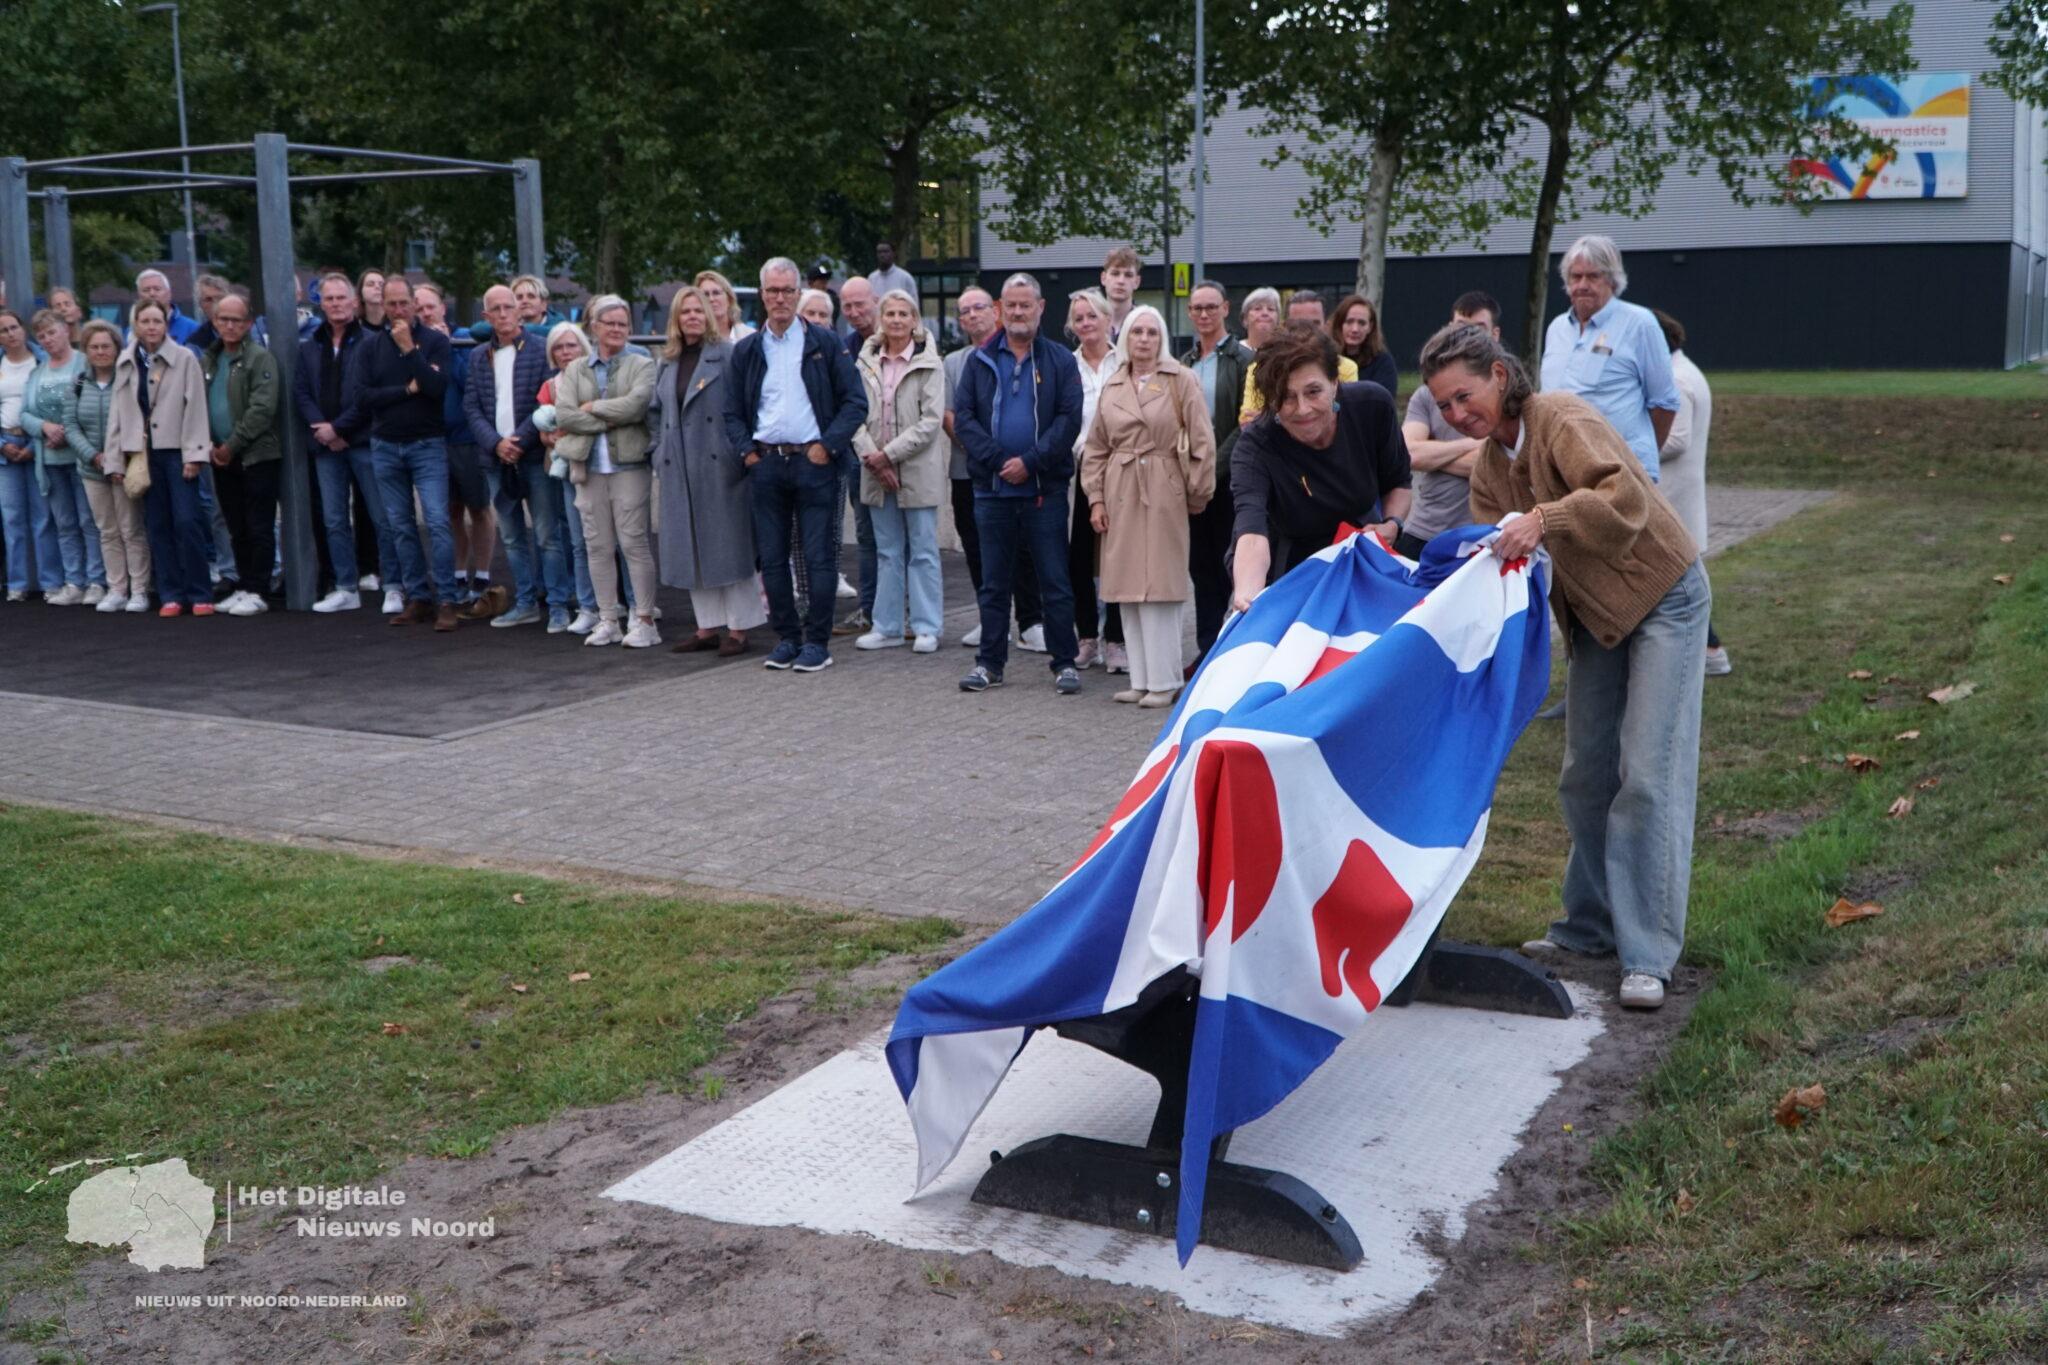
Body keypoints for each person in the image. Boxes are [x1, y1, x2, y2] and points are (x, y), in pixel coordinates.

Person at [1421, 320, 1708, 1011]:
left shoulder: (1560, 418)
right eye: (1444, 405)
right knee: (1584, 775)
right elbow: (1502, 560)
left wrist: (1543, 519)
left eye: (1464, 396)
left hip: (1664, 597)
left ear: (1499, 375)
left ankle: (1648, 953)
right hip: (1596, 620)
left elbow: (1625, 499)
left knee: (1648, 773)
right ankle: (1588, 928)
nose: (1457, 414)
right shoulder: (1489, 468)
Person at [722, 256, 867, 673]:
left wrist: (828, 446)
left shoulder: (825, 343)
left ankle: (817, 642)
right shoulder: (748, 349)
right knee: (771, 558)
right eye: (773, 291)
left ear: (799, 294)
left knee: (820, 558)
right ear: (762, 294)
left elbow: (855, 402)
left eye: (788, 291)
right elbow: (732, 412)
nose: (781, 298)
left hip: (814, 463)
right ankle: (787, 638)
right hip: (766, 464)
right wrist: (748, 452)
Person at [951, 271, 1085, 696]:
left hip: (1044, 490)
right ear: (1000, 309)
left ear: (1040, 308)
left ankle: (1064, 662)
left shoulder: (1060, 360)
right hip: (992, 491)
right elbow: (964, 419)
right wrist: (998, 462)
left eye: (1026, 304)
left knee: (1055, 581)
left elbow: (1069, 420)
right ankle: (989, 664)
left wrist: (1029, 462)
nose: (1018, 312)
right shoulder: (979, 361)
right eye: (1010, 305)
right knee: (993, 584)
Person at [1082, 305, 1214, 707]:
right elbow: (1096, 447)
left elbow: (1202, 440)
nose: (1144, 339)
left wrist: (1196, 493)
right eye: (1137, 331)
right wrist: (1096, 498)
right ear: (1126, 337)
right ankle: (1140, 679)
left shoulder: (1181, 379)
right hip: (1121, 488)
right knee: (1126, 588)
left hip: (1163, 486)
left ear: (1162, 339)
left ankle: (1165, 680)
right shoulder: (1114, 384)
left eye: (1152, 332)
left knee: (1160, 586)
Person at [1228, 323, 1411, 609]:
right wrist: (1247, 596)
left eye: (1313, 391)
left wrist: (1392, 524)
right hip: (1287, 567)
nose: (1303, 409)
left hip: (1358, 558)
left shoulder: (1373, 406)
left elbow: (1398, 481)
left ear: (1334, 383)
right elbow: (1251, 532)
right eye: (1286, 396)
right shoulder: (1255, 447)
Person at [341, 276, 461, 631]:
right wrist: (407, 391)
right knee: (400, 526)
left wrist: (410, 350)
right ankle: (418, 597)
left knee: (437, 522)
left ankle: (447, 599)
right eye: (390, 304)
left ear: (413, 304)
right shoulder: (369, 347)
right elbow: (362, 398)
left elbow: (437, 388)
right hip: (385, 445)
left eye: (403, 303)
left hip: (427, 444)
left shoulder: (435, 342)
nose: (397, 310)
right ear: (382, 305)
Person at [652, 285, 759, 656]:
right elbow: (654, 413)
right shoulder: (668, 361)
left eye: (699, 310)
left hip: (719, 467)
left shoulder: (728, 354)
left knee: (729, 549)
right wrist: (658, 452)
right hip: (679, 467)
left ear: (710, 315)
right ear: (676, 318)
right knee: (692, 548)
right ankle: (706, 627)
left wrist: (736, 454)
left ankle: (739, 629)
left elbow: (747, 406)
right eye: (686, 311)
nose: (693, 317)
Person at [551, 294, 658, 648]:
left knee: (633, 543)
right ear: (594, 327)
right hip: (589, 469)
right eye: (609, 323)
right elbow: (565, 415)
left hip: (630, 467)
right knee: (596, 546)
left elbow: (636, 407)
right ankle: (608, 619)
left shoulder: (642, 364)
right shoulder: (576, 369)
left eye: (623, 324)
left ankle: (644, 620)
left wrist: (593, 406)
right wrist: (608, 420)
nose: (616, 329)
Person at [942, 287, 1041, 651]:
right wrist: (986, 454)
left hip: (1018, 469)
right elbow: (951, 415)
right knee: (976, 546)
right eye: (964, 311)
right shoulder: (954, 362)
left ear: (995, 311)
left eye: (978, 308)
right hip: (969, 471)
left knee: (1023, 547)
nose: (972, 315)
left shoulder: (1019, 352)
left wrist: (1009, 459)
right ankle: (990, 620)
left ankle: (1031, 621)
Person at [104, 300, 215, 616]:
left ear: (166, 324)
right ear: (135, 325)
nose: (151, 327)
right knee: (157, 524)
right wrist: (115, 459)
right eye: (145, 321)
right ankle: (171, 594)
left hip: (177, 450)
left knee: (188, 521)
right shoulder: (126, 360)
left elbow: (196, 407)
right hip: (142, 453)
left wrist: (194, 454)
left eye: (157, 321)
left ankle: (200, 592)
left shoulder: (185, 358)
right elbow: (118, 412)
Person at [464, 284, 564, 631]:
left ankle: (558, 605)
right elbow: (471, 406)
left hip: (532, 456)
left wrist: (518, 441)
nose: (504, 313)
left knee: (548, 535)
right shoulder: (478, 356)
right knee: (510, 536)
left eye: (509, 306)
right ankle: (525, 603)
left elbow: (545, 403)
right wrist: (496, 444)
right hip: (496, 461)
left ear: (519, 311)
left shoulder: (539, 351)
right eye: (496, 309)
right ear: (486, 316)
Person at [851, 288, 946, 653]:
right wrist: (873, 458)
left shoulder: (929, 363)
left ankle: (926, 627)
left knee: (922, 550)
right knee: (887, 550)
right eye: (889, 313)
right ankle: (887, 626)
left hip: (917, 471)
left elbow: (930, 422)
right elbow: (853, 414)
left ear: (914, 320)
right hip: (874, 470)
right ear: (881, 319)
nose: (896, 320)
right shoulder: (864, 362)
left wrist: (887, 456)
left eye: (903, 314)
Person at [1540, 234, 1679, 482]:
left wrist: (1637, 462)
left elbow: (1664, 404)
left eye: (1593, 276)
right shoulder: (1557, 328)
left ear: (1613, 281)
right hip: (1563, 470)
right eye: (1576, 277)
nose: (1583, 285)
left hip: (1618, 473)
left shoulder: (1640, 324)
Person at [296, 272, 393, 613]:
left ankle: (394, 585)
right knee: (334, 519)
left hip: (364, 442)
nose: (336, 304)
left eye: (341, 298)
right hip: (325, 447)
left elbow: (371, 395)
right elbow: (301, 392)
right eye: (330, 298)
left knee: (382, 518)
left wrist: (339, 429)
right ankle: (345, 587)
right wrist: (323, 429)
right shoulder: (309, 346)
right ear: (320, 304)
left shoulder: (373, 342)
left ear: (354, 302)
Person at [1179, 279, 1254, 658]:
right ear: (1189, 313)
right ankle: (1207, 649)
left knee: (1229, 565)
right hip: (1191, 480)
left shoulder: (1243, 360)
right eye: (1197, 308)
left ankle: (1232, 646)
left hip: (1227, 479)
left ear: (1225, 308)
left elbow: (1246, 424)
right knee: (1200, 567)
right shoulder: (1184, 363)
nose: (1204, 314)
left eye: (1211, 306)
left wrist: (1212, 468)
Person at [1397, 290, 1499, 558]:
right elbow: (1407, 454)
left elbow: (1491, 464)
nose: (1467, 338)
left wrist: (1432, 456)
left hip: (1481, 538)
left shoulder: (1503, 395)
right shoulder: (1425, 395)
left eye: (1478, 329)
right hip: (1422, 532)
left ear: (1495, 335)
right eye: (1461, 328)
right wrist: (1471, 444)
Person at [1653, 309, 1727, 676]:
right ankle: (1709, 651)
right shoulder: (1685, 371)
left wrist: (1628, 446)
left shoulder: (1676, 379)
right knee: (1679, 580)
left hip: (1673, 497)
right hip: (1680, 496)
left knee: (1675, 582)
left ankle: (1711, 651)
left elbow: (1676, 440)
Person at [61, 319, 153, 612]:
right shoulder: (78, 383)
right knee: (107, 530)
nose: (101, 352)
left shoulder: (129, 379)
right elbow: (70, 425)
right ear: (86, 351)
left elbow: (138, 420)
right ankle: (117, 589)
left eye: (106, 346)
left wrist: (117, 458)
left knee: (131, 529)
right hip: (91, 469)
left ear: (117, 348)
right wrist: (93, 455)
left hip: (124, 468)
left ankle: (140, 590)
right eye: (94, 347)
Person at [199, 293, 282, 615]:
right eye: (224, 319)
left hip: (256, 455)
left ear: (248, 324)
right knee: (236, 526)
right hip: (221, 456)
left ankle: (259, 589)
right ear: (214, 321)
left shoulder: (260, 358)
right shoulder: (210, 358)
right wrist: (212, 445)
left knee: (259, 525)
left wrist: (231, 445)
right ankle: (245, 584)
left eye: (236, 320)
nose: (230, 326)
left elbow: (262, 409)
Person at [416, 282, 497, 608]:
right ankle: (459, 574)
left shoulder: (464, 339)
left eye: (430, 307)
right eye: (419, 309)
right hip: (433, 439)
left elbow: (472, 384)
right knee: (448, 511)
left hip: (467, 439)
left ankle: (484, 576)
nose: (425, 313)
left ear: (442, 308)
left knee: (479, 507)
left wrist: (447, 349)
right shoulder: (413, 344)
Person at [1065, 287, 1125, 672]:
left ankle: (1117, 640)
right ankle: (1087, 637)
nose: (1086, 323)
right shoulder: (1066, 365)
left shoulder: (1125, 362)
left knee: (1118, 555)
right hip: (1079, 467)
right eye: (1079, 318)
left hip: (1122, 469)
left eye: (1092, 316)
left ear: (1108, 320)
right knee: (1079, 557)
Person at [24, 309, 101, 604]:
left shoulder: (85, 363)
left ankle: (96, 581)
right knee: (65, 523)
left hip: (83, 457)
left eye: (52, 332)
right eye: (41, 336)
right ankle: (74, 581)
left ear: (66, 331)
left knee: (89, 521)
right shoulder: (37, 372)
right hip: (51, 461)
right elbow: (25, 413)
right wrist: (44, 427)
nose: (47, 339)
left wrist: (68, 431)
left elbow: (94, 403)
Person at [536, 322, 602, 633]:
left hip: (601, 466)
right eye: (559, 347)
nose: (565, 352)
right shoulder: (550, 386)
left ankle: (623, 604)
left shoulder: (598, 377)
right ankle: (587, 606)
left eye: (571, 345)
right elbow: (544, 430)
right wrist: (549, 437)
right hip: (568, 470)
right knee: (578, 542)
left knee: (611, 542)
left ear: (583, 347)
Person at [0, 309, 62, 603]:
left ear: (23, 329)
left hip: (37, 443)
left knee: (43, 516)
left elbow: (53, 404)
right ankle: (17, 583)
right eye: (3, 330)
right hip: (5, 445)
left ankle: (50, 582)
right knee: (12, 518)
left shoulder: (42, 361)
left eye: (14, 327)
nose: (10, 334)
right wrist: (2, 444)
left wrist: (34, 444)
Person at [831, 274, 880, 635]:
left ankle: (908, 610)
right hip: (858, 456)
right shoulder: (844, 348)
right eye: (846, 306)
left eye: (859, 303)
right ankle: (871, 607)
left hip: (900, 453)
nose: (853, 311)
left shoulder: (901, 340)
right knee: (866, 535)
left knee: (906, 538)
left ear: (875, 300)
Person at [1239, 291, 1359, 426]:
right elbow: (1247, 422)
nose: (1309, 331)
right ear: (1285, 326)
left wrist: (1273, 416)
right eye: (1287, 395)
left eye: (1315, 323)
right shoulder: (1261, 369)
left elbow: (1347, 416)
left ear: (1326, 326)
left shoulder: (1345, 367)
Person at [1330, 293, 1396, 395]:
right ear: (1339, 324)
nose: (1355, 329)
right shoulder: (1327, 357)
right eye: (1349, 322)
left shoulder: (1382, 362)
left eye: (1362, 323)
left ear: (1370, 327)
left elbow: (1385, 399)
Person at [131, 269, 201, 345]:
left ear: (169, 293)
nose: (152, 294)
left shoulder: (192, 329)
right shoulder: (130, 333)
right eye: (146, 290)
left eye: (157, 289)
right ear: (139, 296)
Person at [695, 270, 753, 342]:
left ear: (729, 299)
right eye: (705, 294)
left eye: (716, 293)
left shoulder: (749, 336)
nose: (711, 299)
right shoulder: (693, 338)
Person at [184, 274, 232, 352]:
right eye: (208, 300)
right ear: (200, 304)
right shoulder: (195, 345)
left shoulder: (247, 331)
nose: (215, 304)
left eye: (220, 298)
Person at [1100, 246, 1141, 337]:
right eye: (1115, 274)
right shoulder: (1089, 323)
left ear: (1137, 282)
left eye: (1128, 275)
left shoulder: (1146, 324)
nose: (1121, 281)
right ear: (1103, 278)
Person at [867, 241, 918, 307]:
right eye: (879, 252)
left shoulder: (905, 278)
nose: (882, 255)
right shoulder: (871, 278)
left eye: (886, 252)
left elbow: (914, 304)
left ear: (893, 254)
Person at [1240, 287, 1282, 351]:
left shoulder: (1287, 352)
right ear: (1245, 318)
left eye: (1271, 309)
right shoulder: (1233, 352)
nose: (1265, 313)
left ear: (1278, 319)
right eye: (1257, 308)